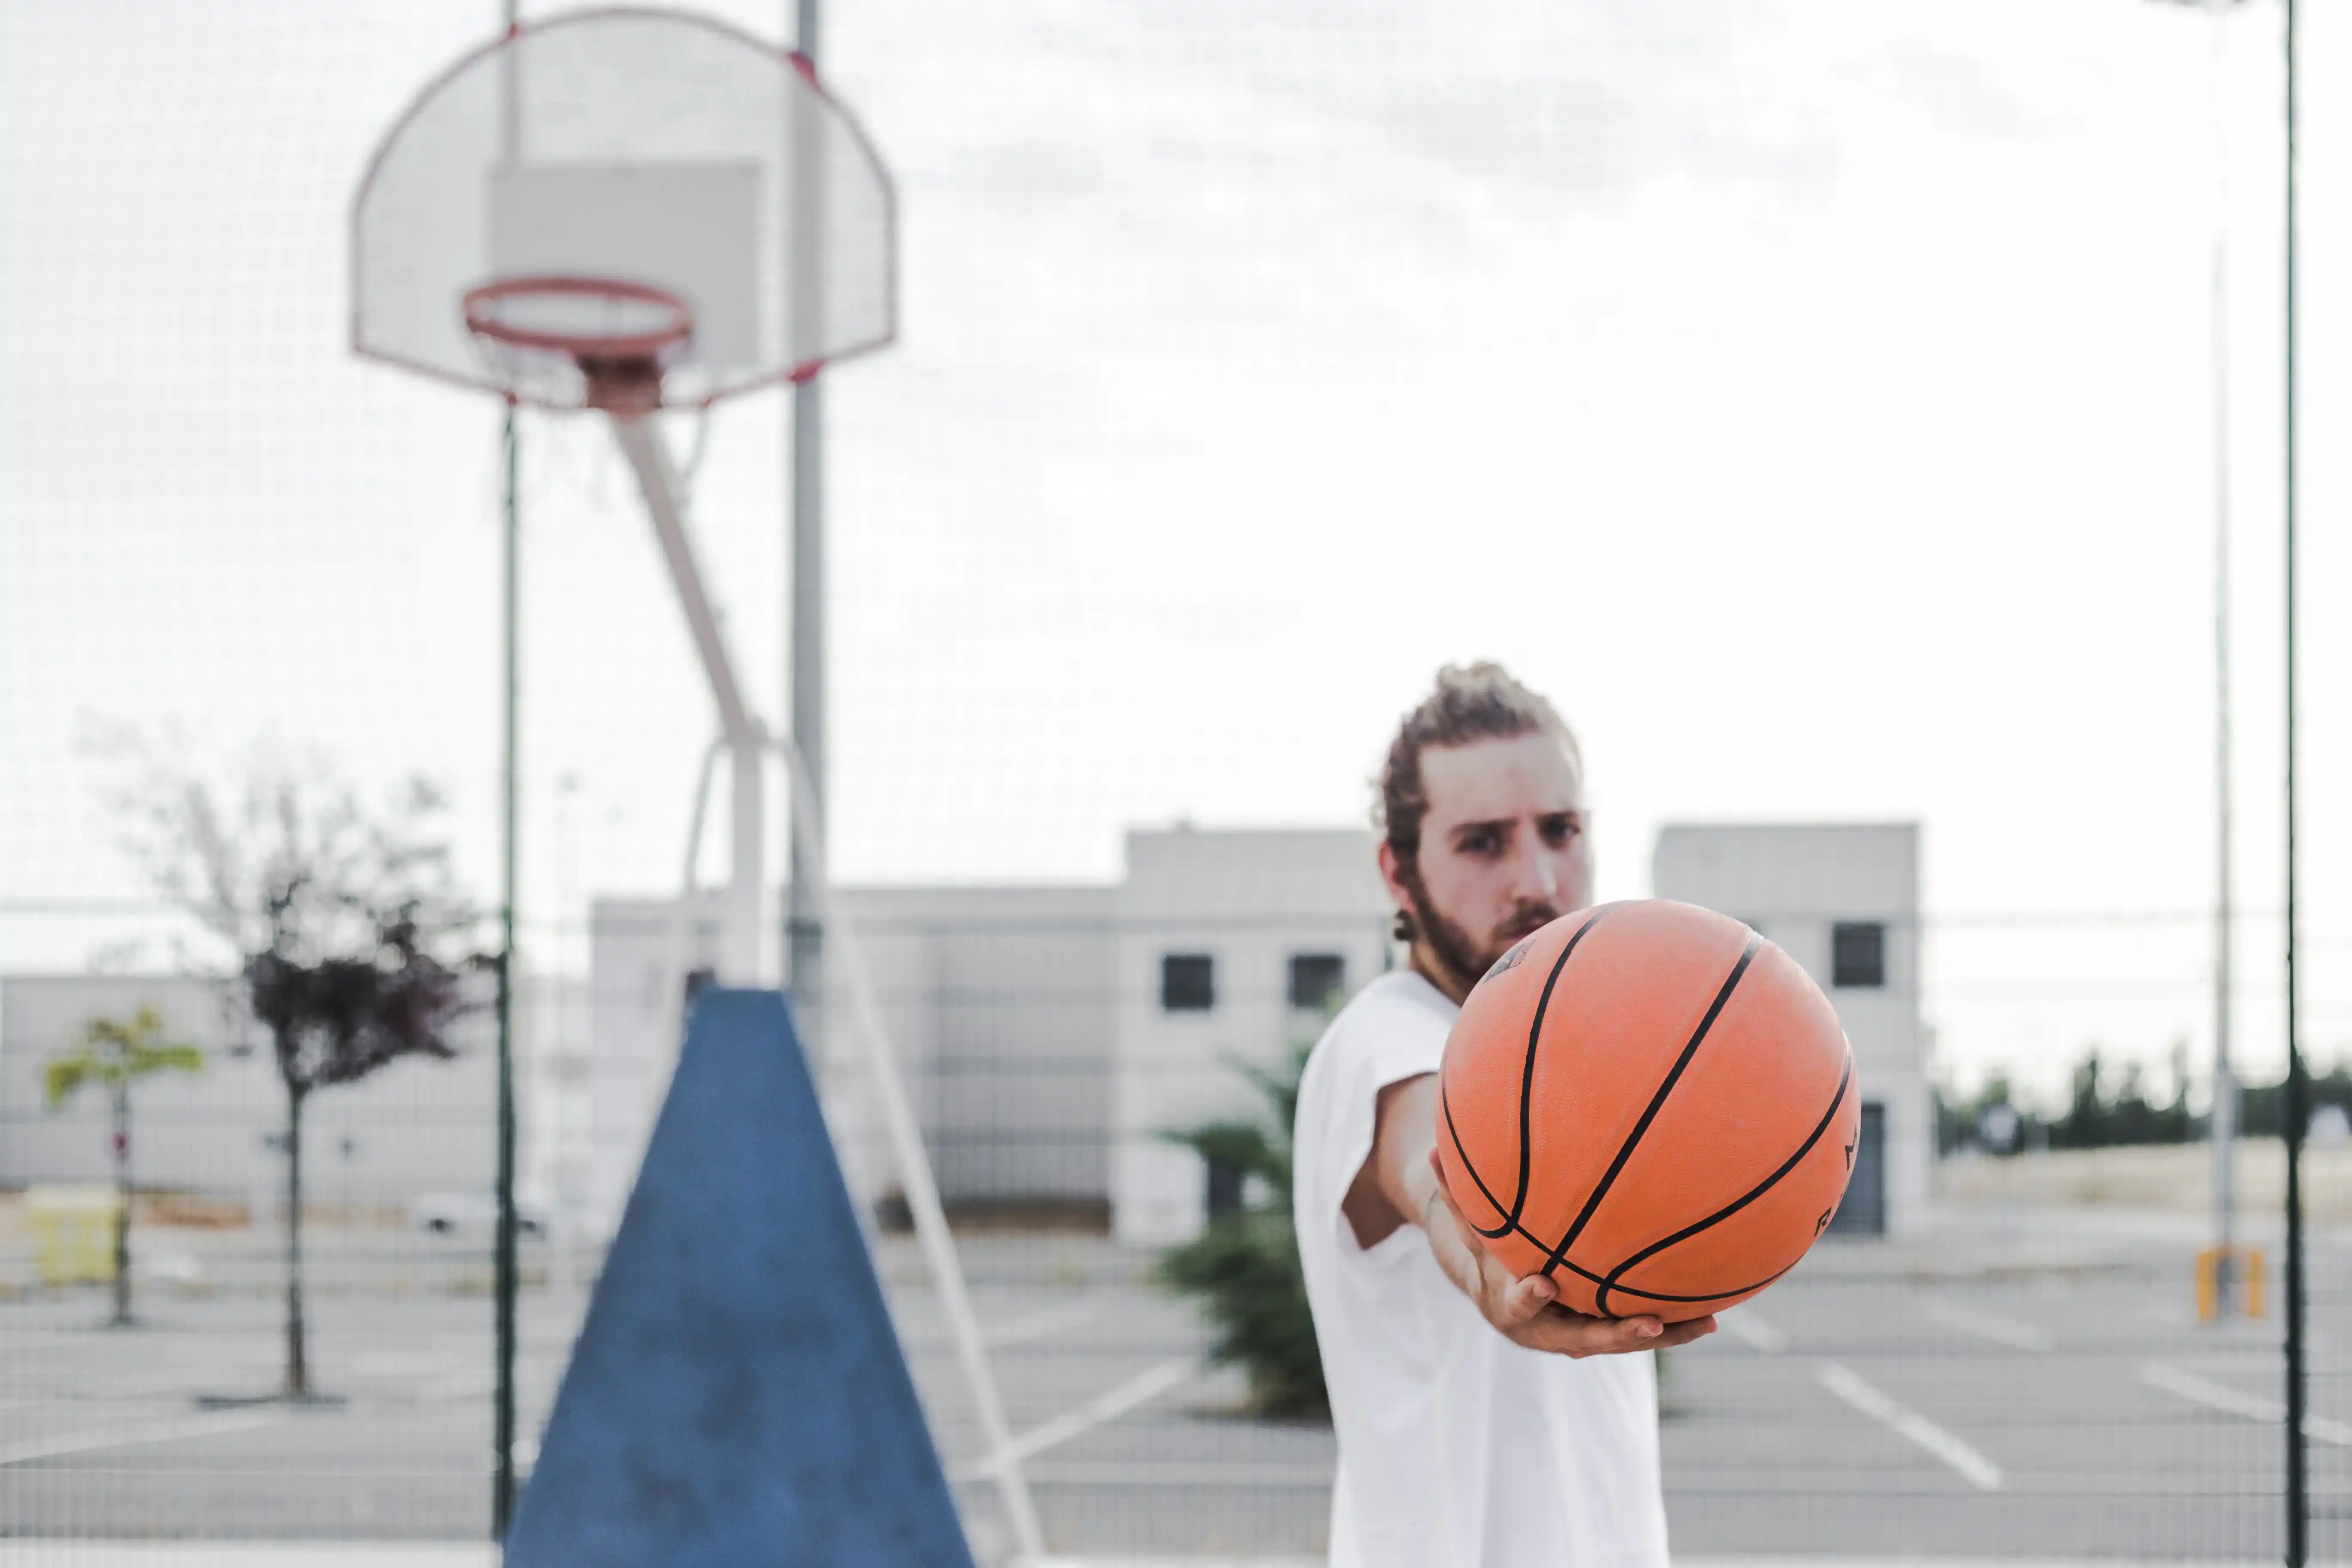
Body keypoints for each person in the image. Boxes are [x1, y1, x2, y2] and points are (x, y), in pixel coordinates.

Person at [1293, 662, 1717, 1568]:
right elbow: (1428, 1164)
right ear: (1398, 870)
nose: (1537, 878)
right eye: (1483, 843)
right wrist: (1489, 1270)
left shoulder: (1599, 1062)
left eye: (1560, 830)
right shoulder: (1382, 1042)